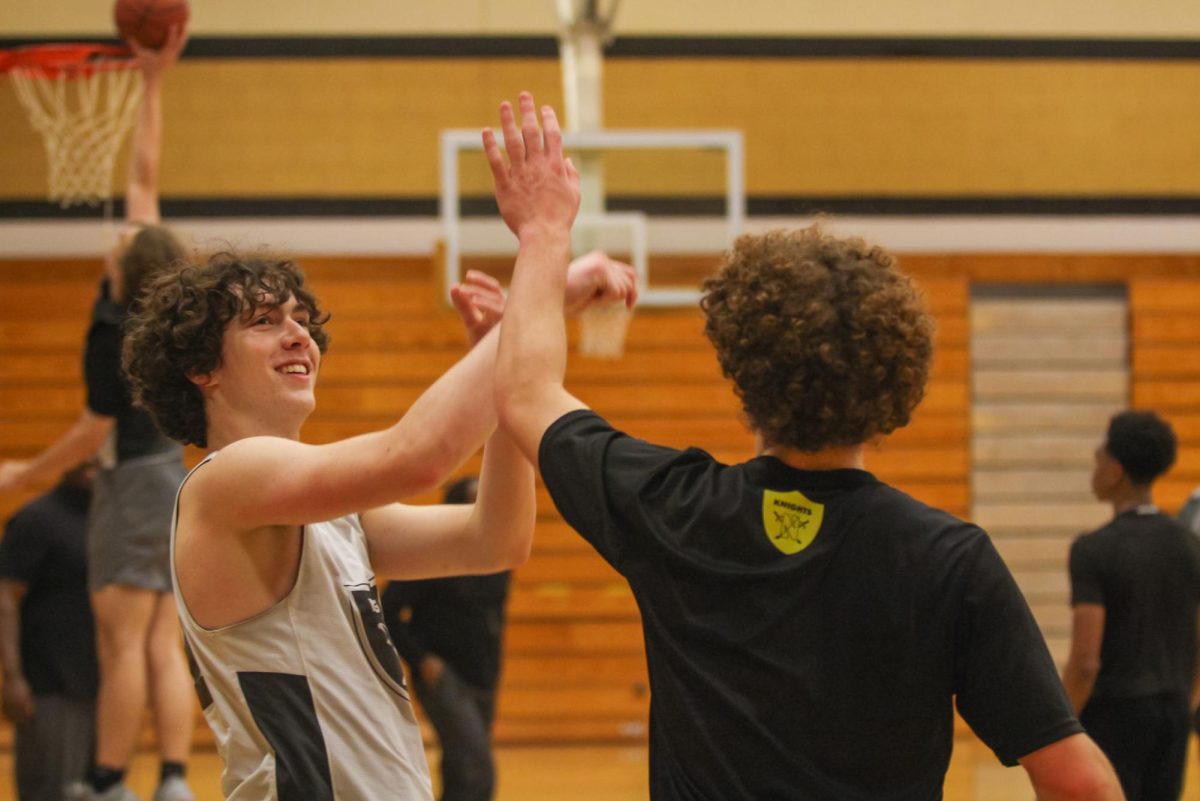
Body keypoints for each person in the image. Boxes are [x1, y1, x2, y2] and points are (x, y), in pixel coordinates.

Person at [484, 91, 1123, 801]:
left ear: (742, 370)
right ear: (894, 384)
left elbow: (525, 392)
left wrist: (544, 231)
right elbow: (1079, 783)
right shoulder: (947, 559)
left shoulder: (672, 509)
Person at [118, 234, 633, 799]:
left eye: (301, 319)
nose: (299, 335)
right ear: (201, 368)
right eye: (264, 321)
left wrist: (507, 378)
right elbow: (418, 458)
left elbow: (495, 541)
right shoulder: (226, 481)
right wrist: (545, 275)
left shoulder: (324, 516)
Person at [0, 25, 195, 801]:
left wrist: (25, 471)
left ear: (123, 261)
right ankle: (175, 777)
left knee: (120, 642)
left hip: (133, 478)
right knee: (157, 642)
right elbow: (145, 176)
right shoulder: (168, 300)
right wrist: (151, 84)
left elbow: (93, 430)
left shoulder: (110, 329)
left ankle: (108, 778)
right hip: (171, 477)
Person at [1062, 411, 1200, 801]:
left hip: (1114, 715)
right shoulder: (1190, 545)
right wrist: (1185, 703)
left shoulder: (1093, 549)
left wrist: (1062, 724)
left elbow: (1086, 661)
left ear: (1116, 470)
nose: (1096, 460)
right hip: (1173, 711)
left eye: (1101, 454)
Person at [382, 476, 510, 801]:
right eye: (476, 499)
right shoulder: (434, 556)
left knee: (460, 764)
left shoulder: (498, 556)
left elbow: (489, 619)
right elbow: (388, 608)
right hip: (444, 677)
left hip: (484, 675)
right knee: (477, 767)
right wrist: (422, 659)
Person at [0, 462, 99, 801]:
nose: (92, 464)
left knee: (97, 791)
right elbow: (5, 597)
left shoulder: (110, 520)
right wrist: (12, 677)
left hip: (102, 684)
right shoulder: (37, 518)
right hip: (48, 686)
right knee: (49, 792)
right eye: (83, 456)